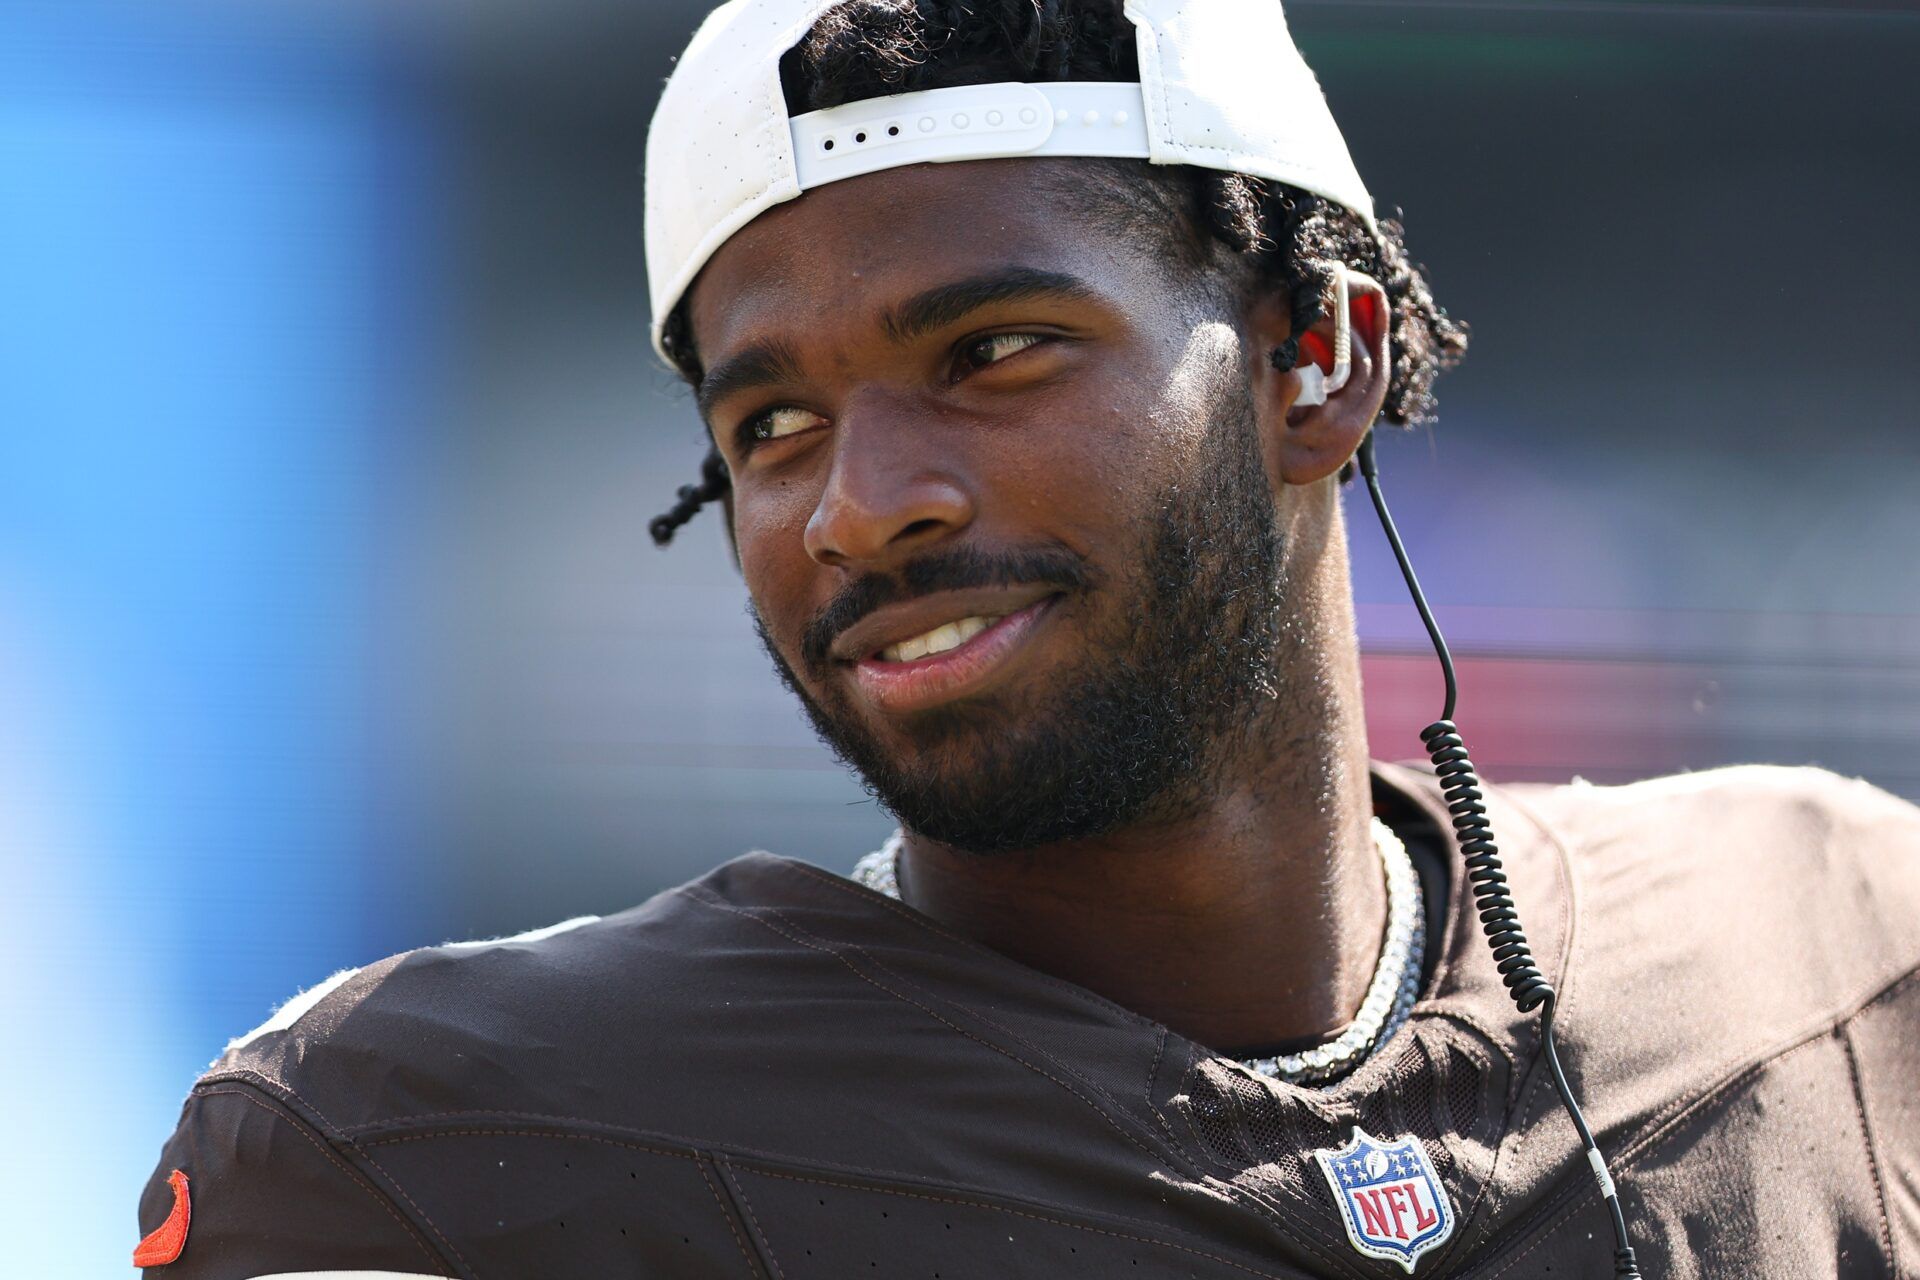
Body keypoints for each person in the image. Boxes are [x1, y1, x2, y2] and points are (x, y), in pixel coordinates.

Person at [136, 1, 1920, 1276]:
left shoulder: (1830, 943)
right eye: (771, 426)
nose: (860, 503)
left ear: (1322, 355)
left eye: (993, 352)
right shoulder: (451, 1152)